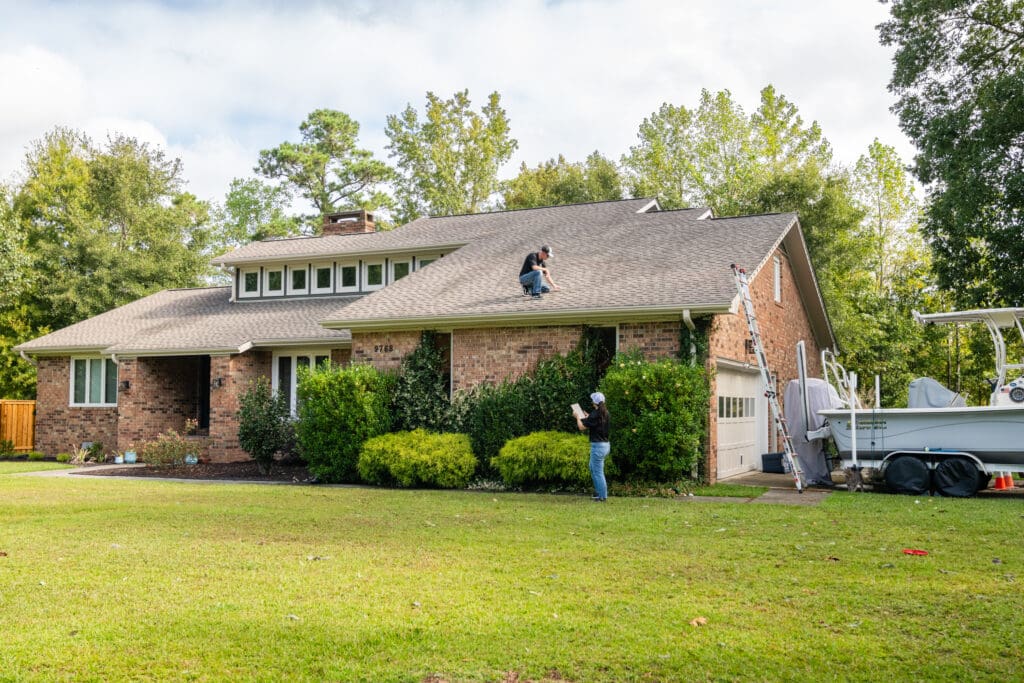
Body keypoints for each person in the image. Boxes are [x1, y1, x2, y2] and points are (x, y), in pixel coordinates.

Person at [575, 391, 610, 501]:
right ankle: (598, 492)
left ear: (593, 402)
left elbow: (581, 427)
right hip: (605, 445)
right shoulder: (604, 413)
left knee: (598, 472)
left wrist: (577, 416)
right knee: (593, 467)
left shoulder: (596, 414)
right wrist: (588, 416)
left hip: (598, 447)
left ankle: (602, 496)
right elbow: (595, 421)